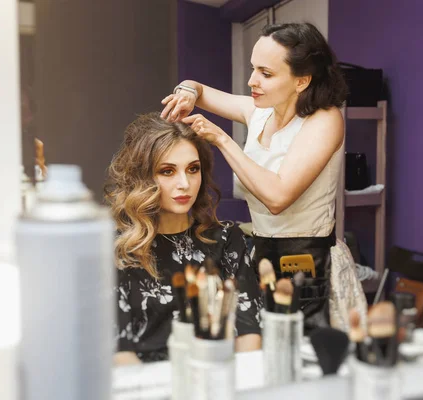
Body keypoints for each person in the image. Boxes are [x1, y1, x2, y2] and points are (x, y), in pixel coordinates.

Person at [160, 22, 367, 331]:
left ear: (301, 81)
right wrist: (187, 92)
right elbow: (198, 89)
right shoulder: (259, 112)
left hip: (310, 262)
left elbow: (278, 197)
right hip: (262, 258)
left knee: (306, 359)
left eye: (266, 74)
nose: (251, 81)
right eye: (253, 68)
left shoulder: (324, 120)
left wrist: (223, 140)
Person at [105, 112, 262, 365]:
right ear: (141, 178)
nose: (184, 183)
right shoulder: (116, 249)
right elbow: (120, 352)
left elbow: (249, 335)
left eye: (193, 169)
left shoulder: (226, 240)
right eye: (167, 171)